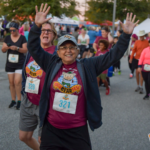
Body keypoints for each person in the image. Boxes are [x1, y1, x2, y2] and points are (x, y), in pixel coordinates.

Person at [28, 4, 138, 150]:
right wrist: (36, 26)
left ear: (77, 50)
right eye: (64, 47)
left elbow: (113, 56)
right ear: (58, 52)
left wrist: (125, 36)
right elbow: (34, 47)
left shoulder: (88, 65)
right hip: (52, 131)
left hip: (77, 132)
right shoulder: (50, 63)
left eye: (72, 47)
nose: (68, 51)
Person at [19, 21, 57, 150]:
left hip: (46, 105)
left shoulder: (57, 54)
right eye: (42, 30)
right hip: (29, 100)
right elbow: (25, 72)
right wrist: (24, 91)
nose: (45, 32)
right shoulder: (32, 51)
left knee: (45, 140)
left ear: (54, 35)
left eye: (49, 31)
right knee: (24, 136)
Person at [1, 20, 27, 110]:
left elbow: (25, 50)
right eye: (10, 30)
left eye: (13, 30)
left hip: (19, 63)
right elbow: (3, 50)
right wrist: (5, 47)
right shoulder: (7, 38)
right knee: (11, 83)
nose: (12, 32)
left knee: (17, 82)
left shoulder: (22, 38)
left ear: (17, 29)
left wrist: (17, 48)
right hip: (10, 64)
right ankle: (13, 100)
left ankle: (19, 101)